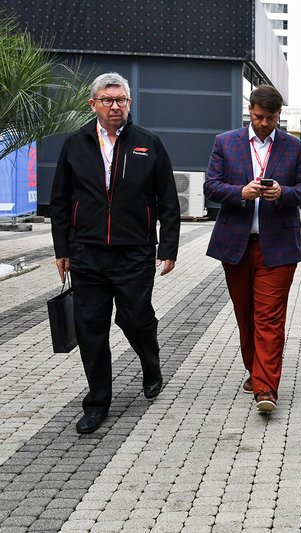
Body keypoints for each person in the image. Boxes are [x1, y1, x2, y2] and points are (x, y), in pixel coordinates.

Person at [50, 72, 180, 434]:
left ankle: (150, 365)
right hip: (87, 253)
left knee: (135, 318)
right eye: (107, 100)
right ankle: (97, 402)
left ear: (129, 103)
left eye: (121, 100)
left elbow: (168, 200)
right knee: (91, 328)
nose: (115, 106)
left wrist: (167, 246)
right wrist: (63, 248)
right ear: (93, 104)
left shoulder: (148, 144)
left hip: (134, 252)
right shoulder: (76, 144)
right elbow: (60, 201)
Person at [204, 85, 301, 413]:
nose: (264, 123)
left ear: (280, 115)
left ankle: (266, 389)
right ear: (250, 111)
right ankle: (255, 369)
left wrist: (283, 192)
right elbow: (211, 186)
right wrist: (241, 191)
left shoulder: (294, 147)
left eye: (271, 118)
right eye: (259, 116)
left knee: (270, 317)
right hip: (235, 245)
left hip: (278, 247)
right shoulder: (226, 142)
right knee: (246, 315)